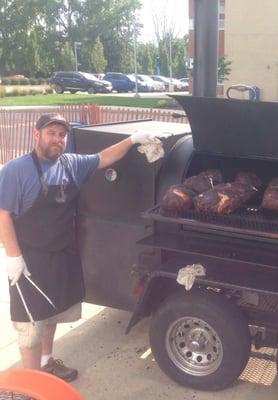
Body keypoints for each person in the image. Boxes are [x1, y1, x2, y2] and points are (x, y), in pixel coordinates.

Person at [0, 113, 161, 382]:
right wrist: (13, 257)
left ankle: (46, 362)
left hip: (61, 253)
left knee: (50, 313)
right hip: (30, 261)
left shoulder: (71, 164)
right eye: (51, 133)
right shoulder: (17, 170)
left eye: (62, 135)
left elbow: (103, 158)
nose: (57, 139)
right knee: (30, 327)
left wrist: (133, 140)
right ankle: (31, 386)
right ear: (36, 134)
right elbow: (3, 214)